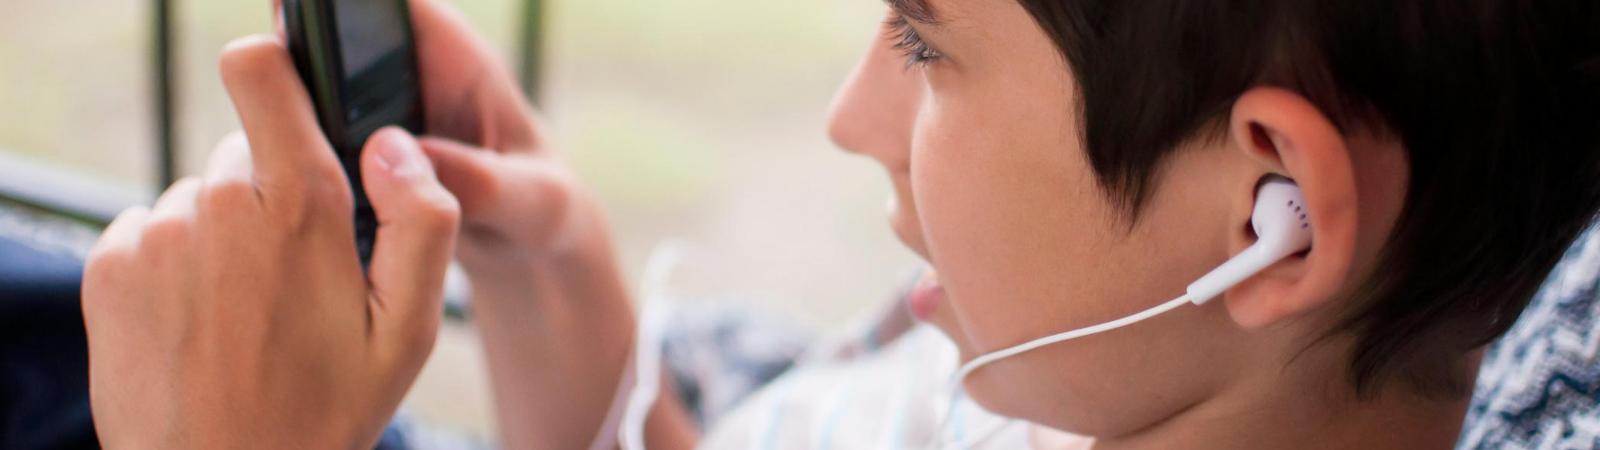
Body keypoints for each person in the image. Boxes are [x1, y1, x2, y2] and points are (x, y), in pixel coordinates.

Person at [77, 0, 1600, 449]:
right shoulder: (1087, 393)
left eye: (927, 47)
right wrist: (575, 309)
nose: (852, 115)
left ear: (1270, 209)